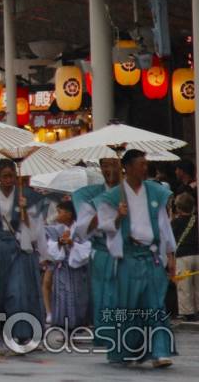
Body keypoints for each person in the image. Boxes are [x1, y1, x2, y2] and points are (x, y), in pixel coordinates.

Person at [95, 149, 175, 367]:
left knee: (155, 304)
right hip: (129, 256)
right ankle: (128, 349)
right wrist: (118, 217)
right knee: (128, 306)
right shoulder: (112, 196)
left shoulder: (155, 192)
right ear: (128, 167)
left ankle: (159, 351)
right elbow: (105, 227)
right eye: (140, 164)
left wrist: (170, 254)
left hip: (151, 255)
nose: (144, 167)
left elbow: (163, 226)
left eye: (145, 163)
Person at [0, 158, 47, 352]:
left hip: (18, 244)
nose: (9, 180)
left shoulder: (26, 195)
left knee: (18, 291)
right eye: (5, 176)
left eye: (12, 176)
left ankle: (23, 332)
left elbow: (37, 230)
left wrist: (26, 211)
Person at [71, 155, 121, 340]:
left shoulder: (133, 191)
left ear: (122, 167)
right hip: (102, 251)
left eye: (113, 165)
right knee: (102, 295)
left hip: (129, 252)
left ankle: (130, 333)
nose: (109, 170)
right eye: (105, 166)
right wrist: (102, 208)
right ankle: (106, 333)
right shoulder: (89, 195)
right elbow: (83, 228)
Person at [45, 200, 91, 330]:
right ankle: (63, 326)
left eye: (59, 212)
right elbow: (51, 247)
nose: (57, 215)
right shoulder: (57, 229)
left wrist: (72, 244)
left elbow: (86, 249)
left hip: (77, 269)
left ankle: (76, 326)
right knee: (61, 297)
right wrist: (59, 243)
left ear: (69, 214)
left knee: (77, 299)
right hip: (62, 269)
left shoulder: (81, 229)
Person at [173, 192, 198, 321]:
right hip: (197, 254)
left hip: (183, 257)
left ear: (178, 208)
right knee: (197, 285)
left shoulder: (175, 222)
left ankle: (187, 312)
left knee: (184, 286)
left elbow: (171, 241)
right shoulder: (196, 220)